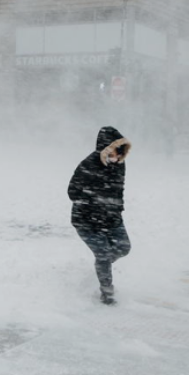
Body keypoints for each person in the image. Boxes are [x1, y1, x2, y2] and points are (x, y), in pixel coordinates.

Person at [68, 126, 132, 305]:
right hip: (86, 220)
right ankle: (107, 291)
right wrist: (94, 201)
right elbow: (72, 191)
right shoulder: (89, 164)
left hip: (112, 218)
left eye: (120, 152)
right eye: (113, 151)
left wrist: (116, 210)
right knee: (103, 253)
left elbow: (119, 190)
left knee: (124, 248)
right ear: (104, 149)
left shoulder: (119, 164)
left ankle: (102, 266)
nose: (117, 156)